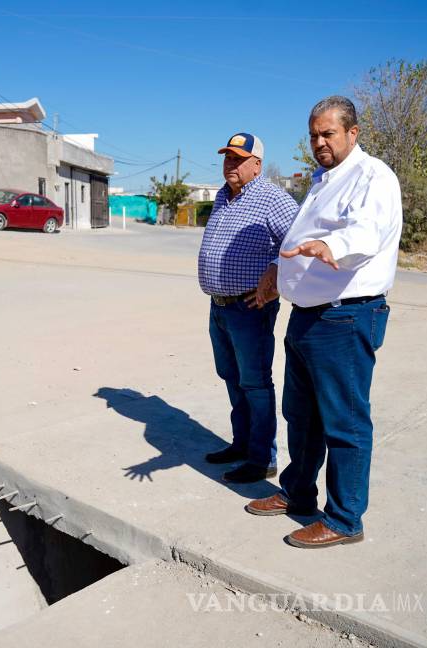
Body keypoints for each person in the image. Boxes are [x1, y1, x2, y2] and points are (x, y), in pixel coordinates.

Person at [245, 96, 402, 548]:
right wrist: (280, 268)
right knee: (301, 414)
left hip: (345, 317)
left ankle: (344, 519)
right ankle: (297, 493)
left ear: (353, 133)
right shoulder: (323, 180)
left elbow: (366, 230)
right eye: (314, 134)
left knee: (345, 422)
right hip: (308, 318)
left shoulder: (373, 177)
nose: (319, 142)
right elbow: (300, 238)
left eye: (328, 133)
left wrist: (333, 247)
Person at [197, 133, 299, 483]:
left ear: (256, 164)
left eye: (238, 159)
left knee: (255, 383)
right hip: (220, 306)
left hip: (249, 308)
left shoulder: (271, 197)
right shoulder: (224, 196)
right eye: (227, 157)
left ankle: (262, 458)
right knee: (232, 378)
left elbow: (298, 240)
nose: (230, 164)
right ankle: (241, 445)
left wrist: (275, 268)